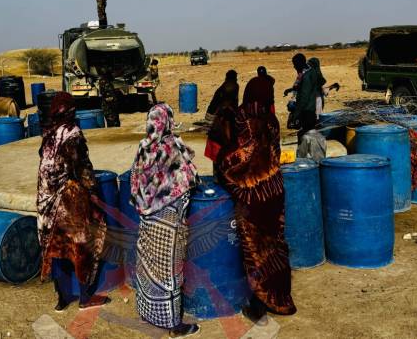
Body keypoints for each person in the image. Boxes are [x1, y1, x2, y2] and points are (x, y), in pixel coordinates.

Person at [218, 79, 297, 322]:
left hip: (253, 196)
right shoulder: (271, 120)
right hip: (274, 191)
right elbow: (273, 153)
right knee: (275, 245)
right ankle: (281, 297)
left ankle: (259, 303)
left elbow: (240, 155)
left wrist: (222, 163)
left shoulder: (244, 119)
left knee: (255, 250)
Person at [129, 104, 200, 338]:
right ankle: (173, 324)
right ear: (167, 121)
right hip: (168, 219)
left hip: (147, 219)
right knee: (170, 269)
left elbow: (134, 181)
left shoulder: (143, 146)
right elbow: (189, 177)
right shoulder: (172, 146)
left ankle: (148, 312)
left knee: (148, 265)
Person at [37, 92, 110, 311]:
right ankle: (85, 298)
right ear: (70, 111)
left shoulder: (48, 133)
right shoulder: (73, 134)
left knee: (55, 248)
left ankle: (62, 300)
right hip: (67, 200)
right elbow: (82, 168)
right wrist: (94, 192)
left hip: (46, 201)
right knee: (81, 245)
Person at [291, 53, 320, 141]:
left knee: (305, 136)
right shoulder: (311, 71)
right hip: (311, 108)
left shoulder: (306, 77)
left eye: (295, 64)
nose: (294, 67)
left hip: (306, 111)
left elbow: (304, 98)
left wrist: (296, 114)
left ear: (300, 64)